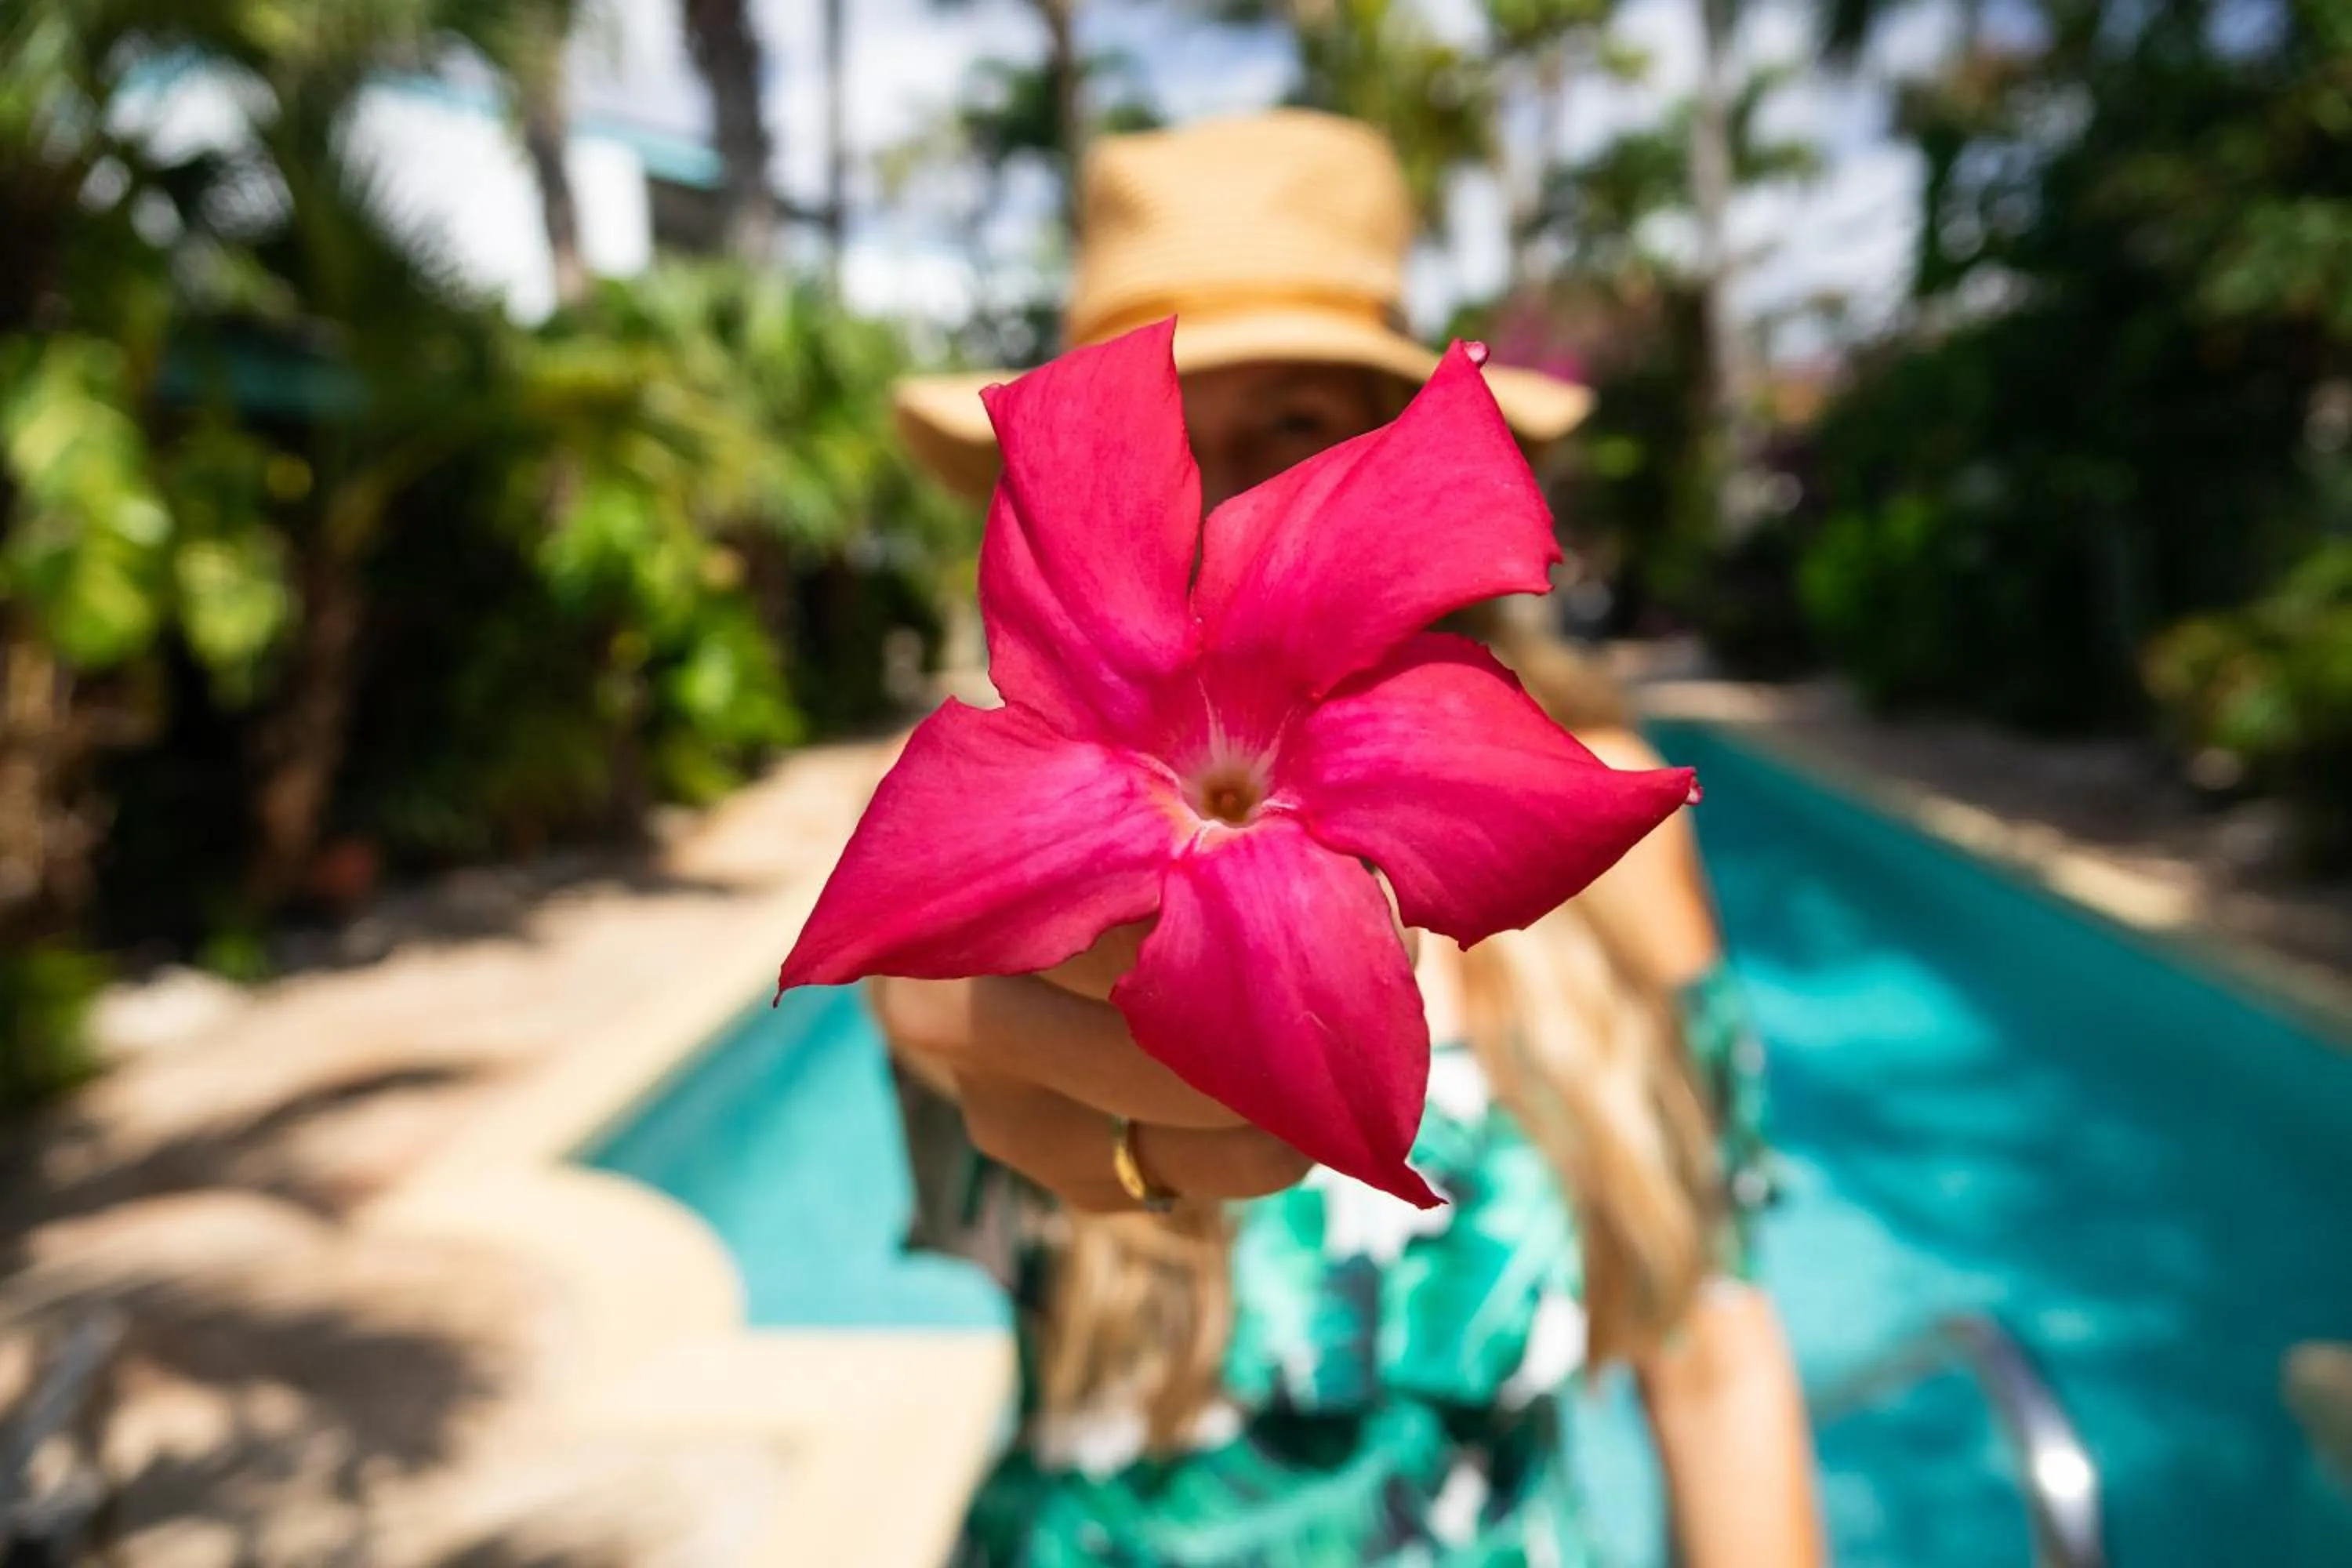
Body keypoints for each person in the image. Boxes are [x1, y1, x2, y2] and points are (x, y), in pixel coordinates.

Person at [880, 110, 1822, 1567]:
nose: (1205, 496)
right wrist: (945, 1005)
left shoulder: (1593, 814)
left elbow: (1716, 1352)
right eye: (1161, 435)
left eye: (1296, 427)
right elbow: (937, 1027)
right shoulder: (970, 842)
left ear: (1396, 459)